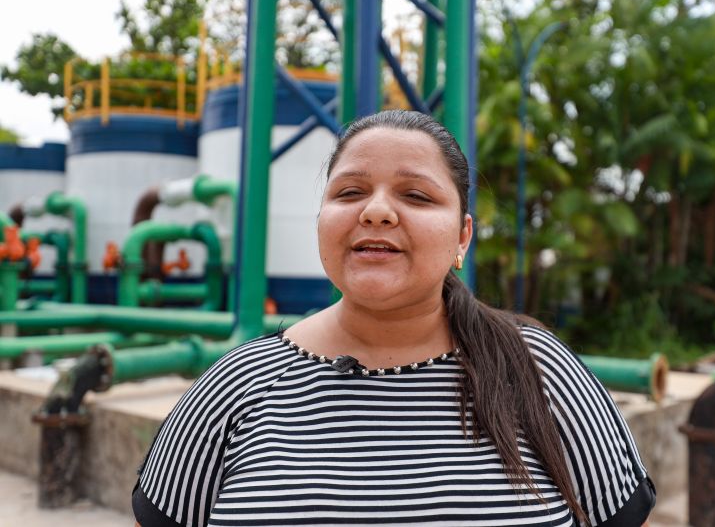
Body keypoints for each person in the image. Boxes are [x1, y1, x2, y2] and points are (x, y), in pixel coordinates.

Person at [132, 110, 656, 526]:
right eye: (350, 192)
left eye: (416, 195)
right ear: (323, 221)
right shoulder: (235, 386)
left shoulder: (540, 369)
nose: (376, 211)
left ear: (462, 237)